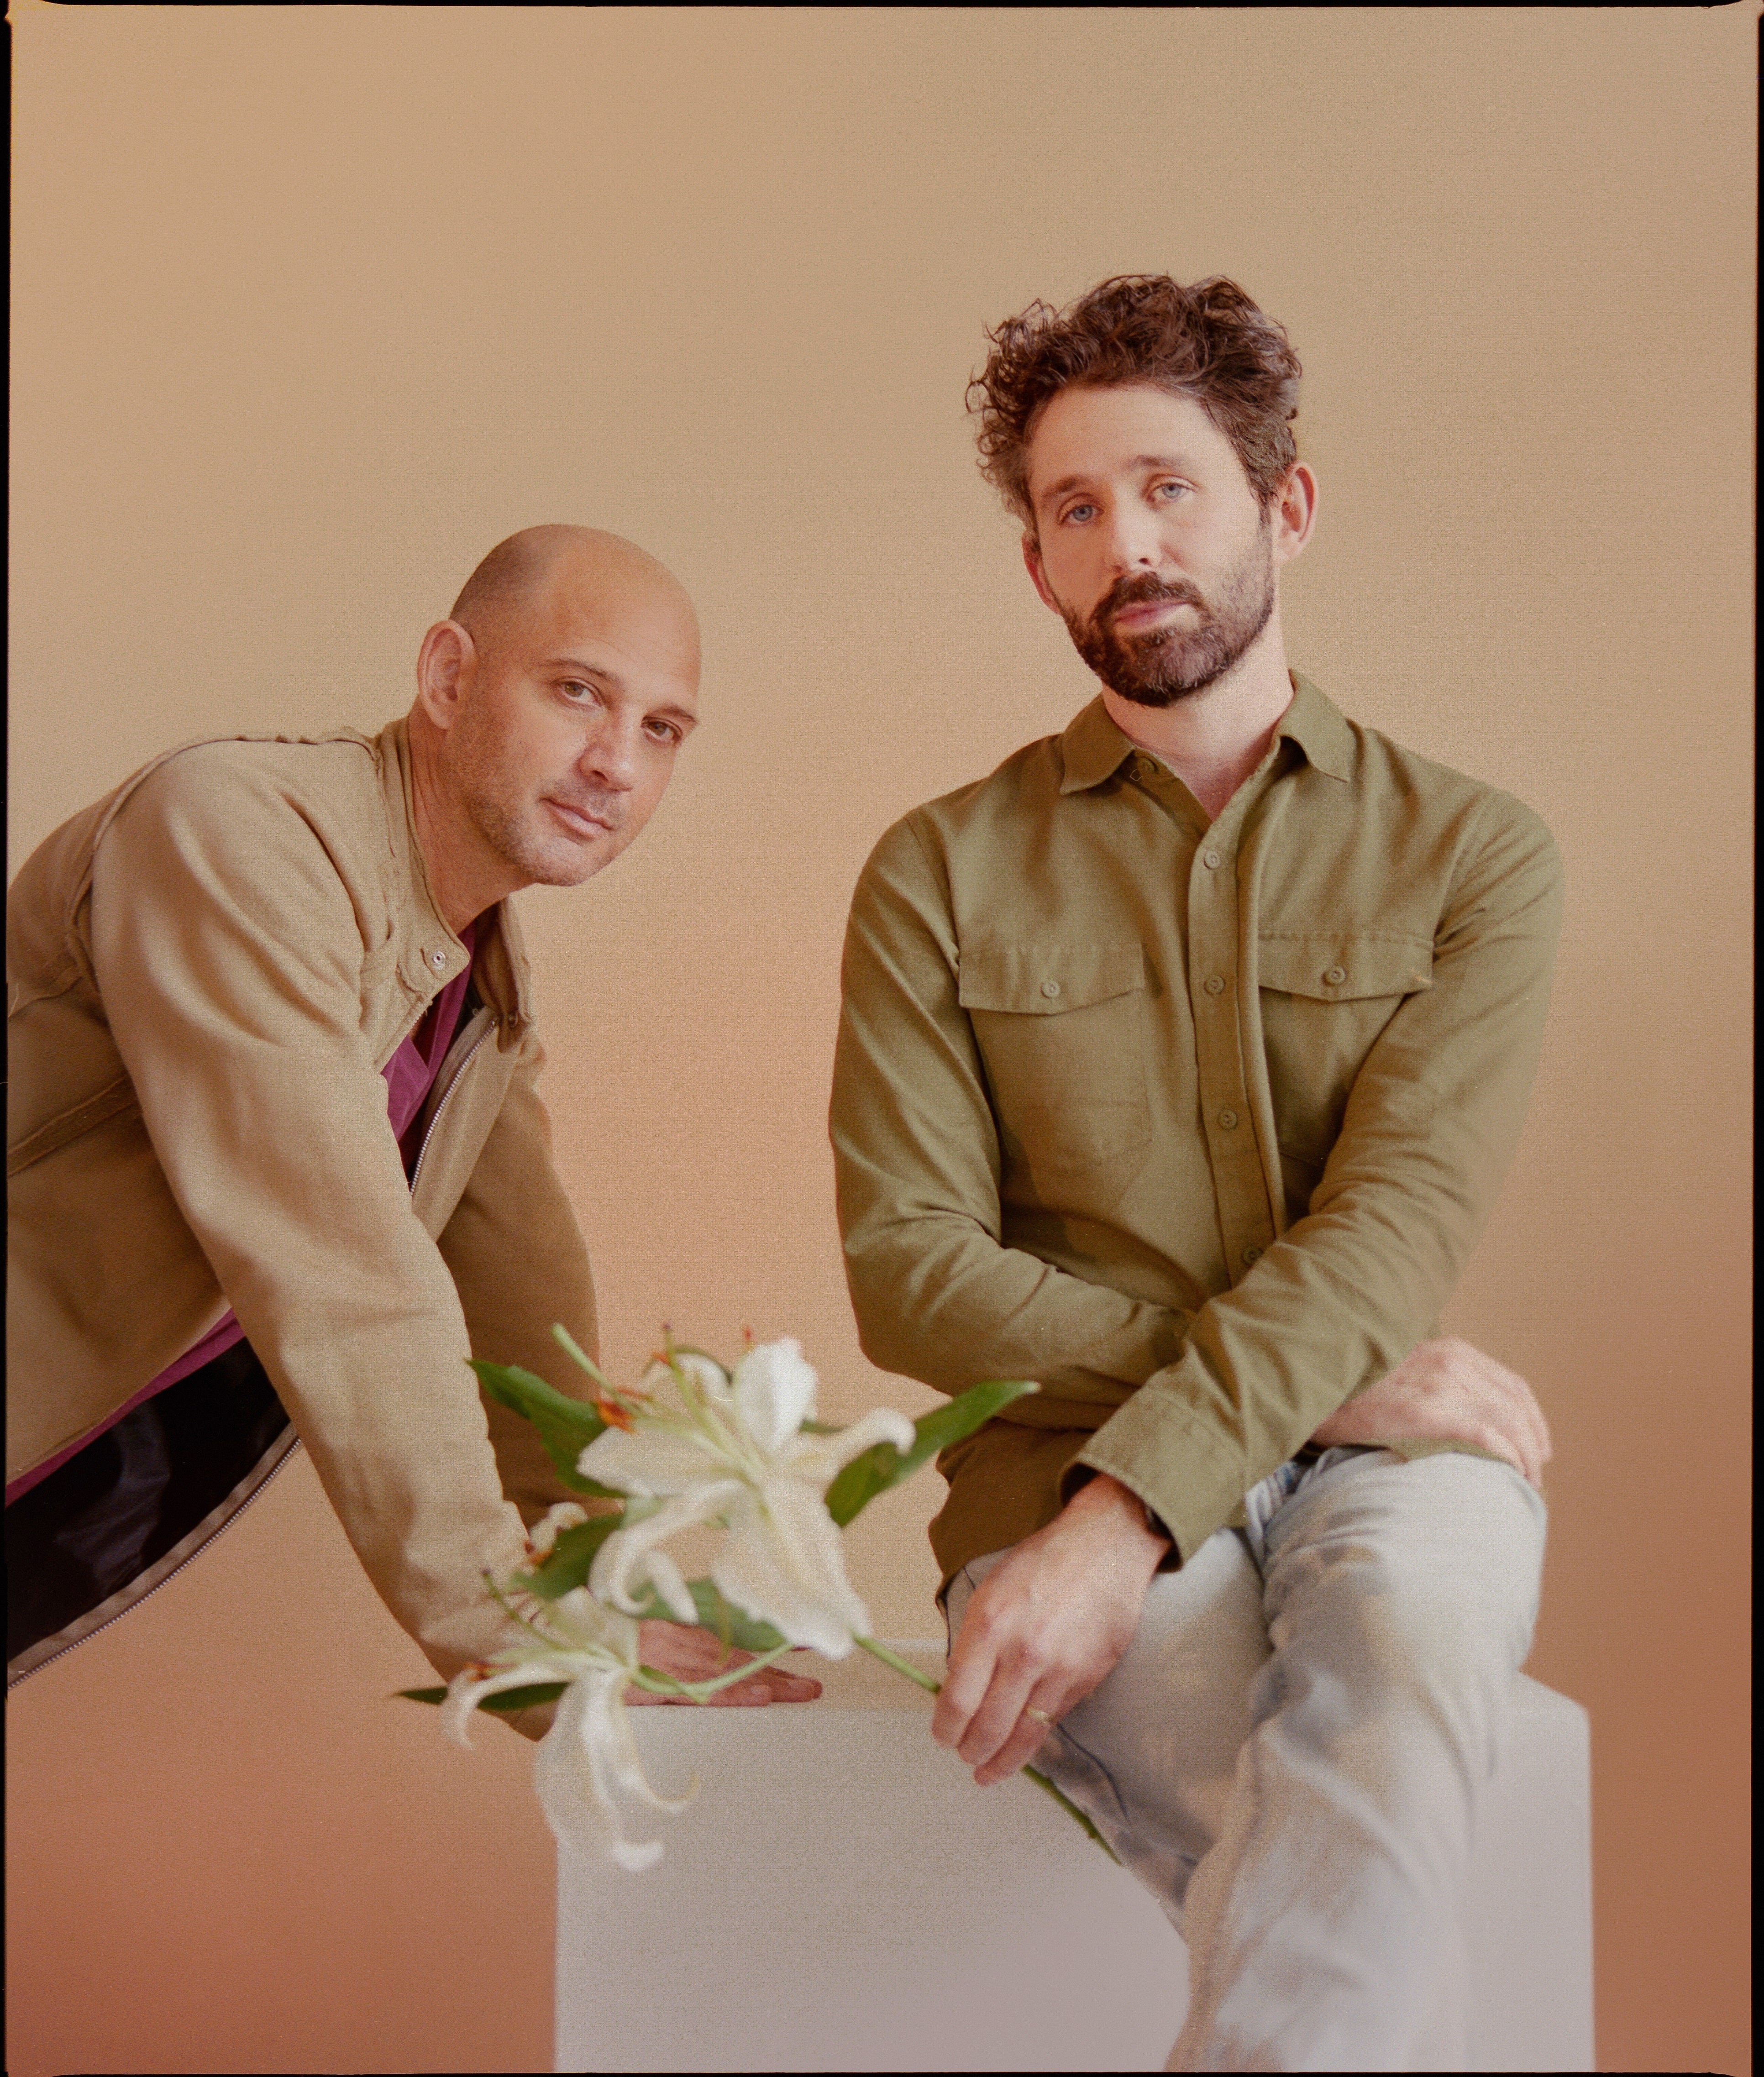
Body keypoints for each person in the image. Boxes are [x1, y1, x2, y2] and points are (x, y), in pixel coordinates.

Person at [829, 278, 1560, 2070]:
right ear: (1037, 566)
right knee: (1342, 1823)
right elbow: (911, 1274)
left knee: (1399, 1682)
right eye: (1075, 510)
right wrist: (1306, 1386)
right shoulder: (935, 873)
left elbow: (1394, 1227)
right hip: (1059, 1473)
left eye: (1169, 489)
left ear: (1284, 507)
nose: (1127, 545)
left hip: (1389, 1474)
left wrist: (1130, 1511)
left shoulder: (1476, 856)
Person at [7, 524, 819, 1722]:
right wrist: (499, 1619)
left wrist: (593, 1583)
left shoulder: (470, 967)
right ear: (448, 677)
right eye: (578, 692)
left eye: (662, 730)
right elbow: (341, 1260)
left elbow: (521, 1293)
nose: (616, 763)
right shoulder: (238, 833)